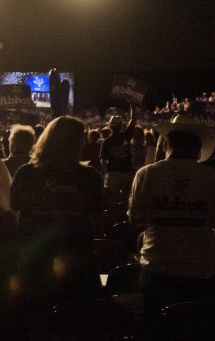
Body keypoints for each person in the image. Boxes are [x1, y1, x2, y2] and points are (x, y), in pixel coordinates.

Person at [128, 115, 215, 313]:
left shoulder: (145, 174)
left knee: (157, 332)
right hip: (200, 270)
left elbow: (136, 221)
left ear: (165, 144)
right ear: (197, 148)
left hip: (156, 268)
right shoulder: (211, 177)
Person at [10, 116, 103, 307]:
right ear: (73, 143)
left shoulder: (26, 173)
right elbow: (97, 216)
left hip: (37, 260)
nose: (84, 142)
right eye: (81, 138)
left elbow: (14, 204)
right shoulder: (89, 176)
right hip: (77, 262)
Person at [100, 105, 136, 205]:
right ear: (121, 126)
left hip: (113, 174)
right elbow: (133, 119)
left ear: (110, 127)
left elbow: (103, 161)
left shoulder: (106, 142)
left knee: (111, 201)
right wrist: (132, 105)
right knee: (127, 201)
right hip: (127, 173)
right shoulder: (126, 136)